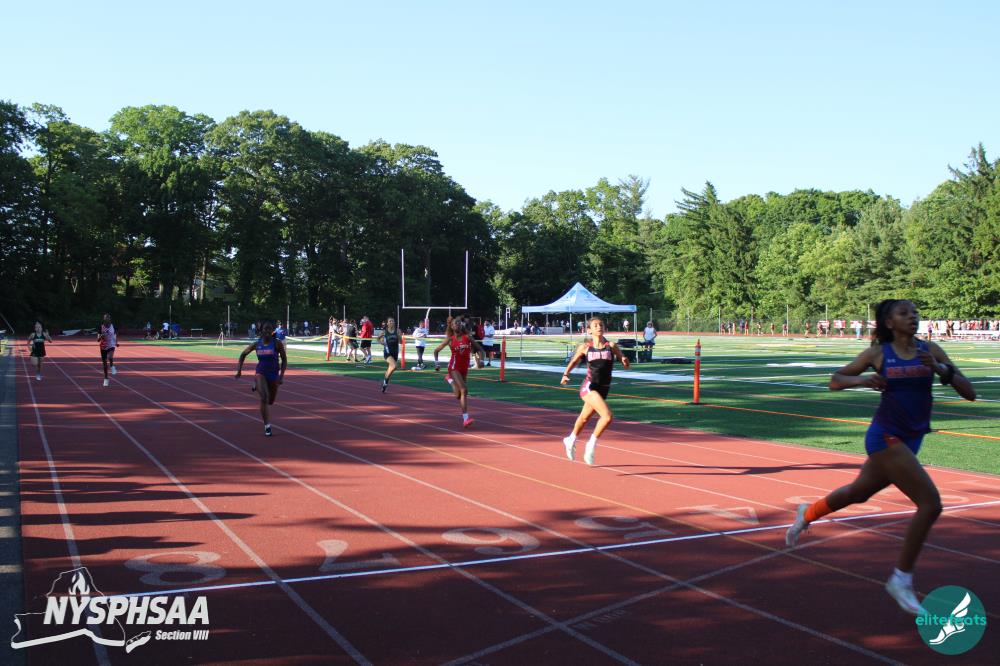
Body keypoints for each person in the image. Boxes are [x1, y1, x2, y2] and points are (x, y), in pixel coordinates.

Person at [785, 299, 976, 615]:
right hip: (885, 436)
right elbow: (835, 381)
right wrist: (863, 380)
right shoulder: (878, 354)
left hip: (912, 439)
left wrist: (940, 369)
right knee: (930, 504)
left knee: (858, 493)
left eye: (915, 312)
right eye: (904, 313)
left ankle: (807, 513)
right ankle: (901, 579)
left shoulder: (931, 351)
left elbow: (969, 393)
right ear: (889, 322)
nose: (912, 316)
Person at [559, 317, 631, 466]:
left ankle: (570, 439)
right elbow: (574, 361)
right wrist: (565, 374)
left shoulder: (611, 346)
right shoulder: (586, 347)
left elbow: (625, 363)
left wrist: (625, 361)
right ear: (589, 330)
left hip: (604, 389)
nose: (599, 327)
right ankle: (591, 445)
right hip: (589, 387)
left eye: (601, 325)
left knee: (584, 418)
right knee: (607, 416)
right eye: (595, 325)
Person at [235, 321, 287, 437]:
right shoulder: (256, 344)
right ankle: (267, 426)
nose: (267, 331)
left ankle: (257, 384)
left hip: (273, 374)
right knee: (264, 398)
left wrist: (281, 376)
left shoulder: (277, 343)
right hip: (261, 373)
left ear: (272, 331)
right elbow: (243, 354)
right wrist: (239, 370)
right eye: (265, 329)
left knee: (270, 401)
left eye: (269, 329)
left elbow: (284, 360)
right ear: (262, 330)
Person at [433, 316, 485, 428]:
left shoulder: (468, 337)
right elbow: (436, 351)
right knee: (464, 390)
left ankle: (450, 380)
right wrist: (437, 364)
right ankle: (466, 419)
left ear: (461, 325)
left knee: (458, 395)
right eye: (455, 323)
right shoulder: (450, 339)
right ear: (451, 327)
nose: (457, 325)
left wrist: (481, 361)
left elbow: (481, 350)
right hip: (454, 367)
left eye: (459, 323)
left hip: (464, 368)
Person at [377, 318, 401, 392]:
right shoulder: (384, 332)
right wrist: (381, 342)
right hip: (387, 353)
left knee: (391, 368)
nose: (391, 322)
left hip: (395, 353)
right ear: (387, 323)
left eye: (392, 321)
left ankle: (385, 382)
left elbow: (400, 341)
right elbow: (378, 339)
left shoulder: (397, 331)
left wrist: (399, 336)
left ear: (394, 323)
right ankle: (385, 381)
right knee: (394, 366)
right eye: (390, 321)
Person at [98, 313, 118, 387]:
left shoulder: (113, 326)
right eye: (105, 318)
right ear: (104, 319)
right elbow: (97, 339)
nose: (107, 319)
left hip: (111, 344)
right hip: (103, 346)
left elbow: (115, 334)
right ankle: (106, 378)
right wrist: (101, 336)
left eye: (108, 318)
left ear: (110, 319)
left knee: (110, 357)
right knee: (105, 364)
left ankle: (112, 366)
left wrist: (116, 342)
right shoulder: (101, 327)